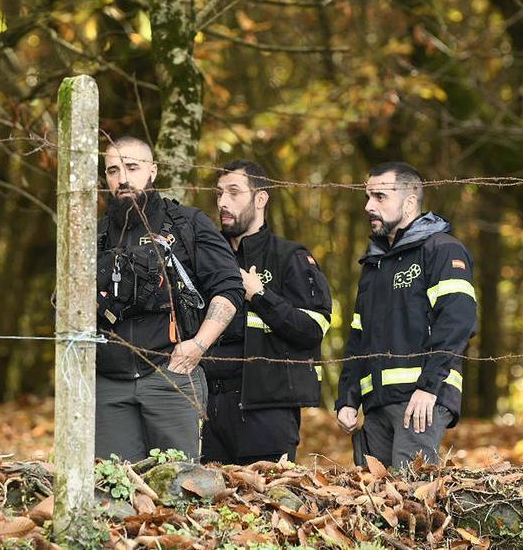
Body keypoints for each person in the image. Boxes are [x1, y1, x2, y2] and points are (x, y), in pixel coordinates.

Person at [95, 136, 244, 461]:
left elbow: (230, 287)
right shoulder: (96, 234)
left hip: (172, 375)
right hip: (108, 384)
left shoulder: (187, 223)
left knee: (178, 482)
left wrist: (198, 345)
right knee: (112, 485)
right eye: (113, 170)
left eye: (132, 167)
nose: (122, 178)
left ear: (153, 170)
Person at [335, 162, 477, 469]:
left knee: (410, 490)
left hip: (420, 401)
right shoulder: (374, 263)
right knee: (372, 490)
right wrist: (348, 397)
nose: (368, 206)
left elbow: (458, 322)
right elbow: (358, 336)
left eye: (380, 197)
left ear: (410, 202)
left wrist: (428, 387)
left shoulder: (443, 250)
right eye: (367, 196)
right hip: (376, 404)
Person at [201, 160, 333, 465]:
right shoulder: (207, 257)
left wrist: (260, 296)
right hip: (207, 412)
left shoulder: (290, 257)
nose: (222, 202)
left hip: (266, 415)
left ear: (261, 198)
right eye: (219, 193)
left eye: (234, 192)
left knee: (267, 495)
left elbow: (312, 329)